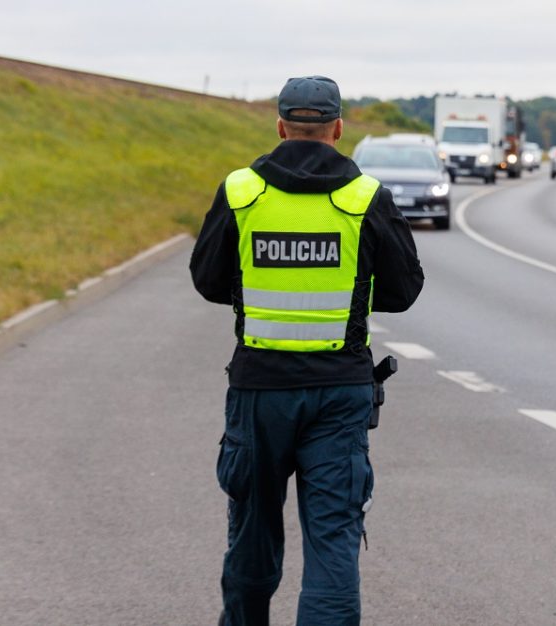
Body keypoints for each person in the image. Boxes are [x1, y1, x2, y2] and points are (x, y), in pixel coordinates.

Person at [190, 76, 424, 625]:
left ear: (280, 127)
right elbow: (404, 290)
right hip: (339, 396)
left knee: (251, 536)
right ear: (338, 130)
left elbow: (206, 277)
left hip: (259, 393)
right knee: (333, 539)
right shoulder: (365, 198)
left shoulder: (242, 191)